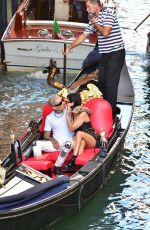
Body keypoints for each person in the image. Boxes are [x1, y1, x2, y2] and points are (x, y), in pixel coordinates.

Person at [63, 0, 125, 119]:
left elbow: (106, 33)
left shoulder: (108, 14)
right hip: (105, 54)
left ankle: (110, 116)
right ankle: (103, 110)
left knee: (111, 85)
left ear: (95, 4)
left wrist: (95, 23)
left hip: (116, 53)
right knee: (102, 84)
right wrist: (69, 47)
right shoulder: (94, 19)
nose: (86, 9)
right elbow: (83, 36)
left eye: (87, 6)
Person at [33, 95, 75, 176]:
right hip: (57, 143)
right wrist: (53, 140)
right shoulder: (50, 118)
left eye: (62, 100)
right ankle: (40, 169)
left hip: (69, 141)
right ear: (54, 108)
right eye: (60, 102)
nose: (63, 103)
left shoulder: (69, 109)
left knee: (68, 143)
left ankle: (57, 167)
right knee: (36, 144)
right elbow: (46, 135)